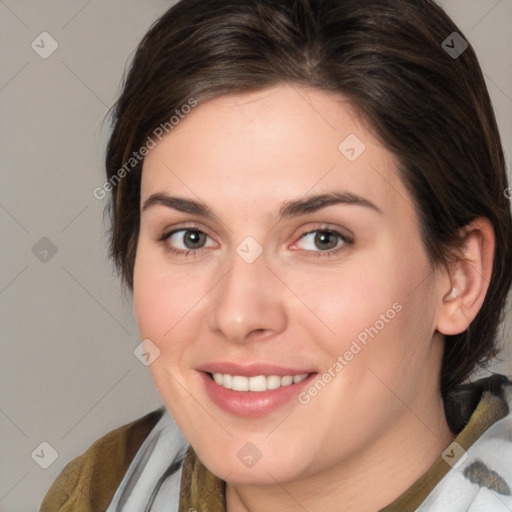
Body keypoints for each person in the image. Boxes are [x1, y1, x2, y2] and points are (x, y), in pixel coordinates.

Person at [41, 0, 512, 510]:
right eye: (191, 237)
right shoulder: (94, 492)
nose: (239, 315)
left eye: (322, 239)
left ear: (459, 277)